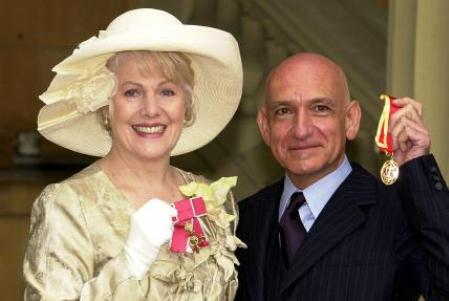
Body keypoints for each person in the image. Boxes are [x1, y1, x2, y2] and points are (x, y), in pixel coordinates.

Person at [23, 8, 245, 300]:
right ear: (106, 107)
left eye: (167, 91)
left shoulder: (209, 200)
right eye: (132, 92)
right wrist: (131, 261)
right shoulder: (68, 205)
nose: (151, 109)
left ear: (186, 105)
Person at [235, 53, 449, 300]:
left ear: (350, 119)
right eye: (284, 111)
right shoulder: (241, 219)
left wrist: (418, 170)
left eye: (320, 108)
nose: (301, 130)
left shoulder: (398, 212)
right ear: (264, 126)